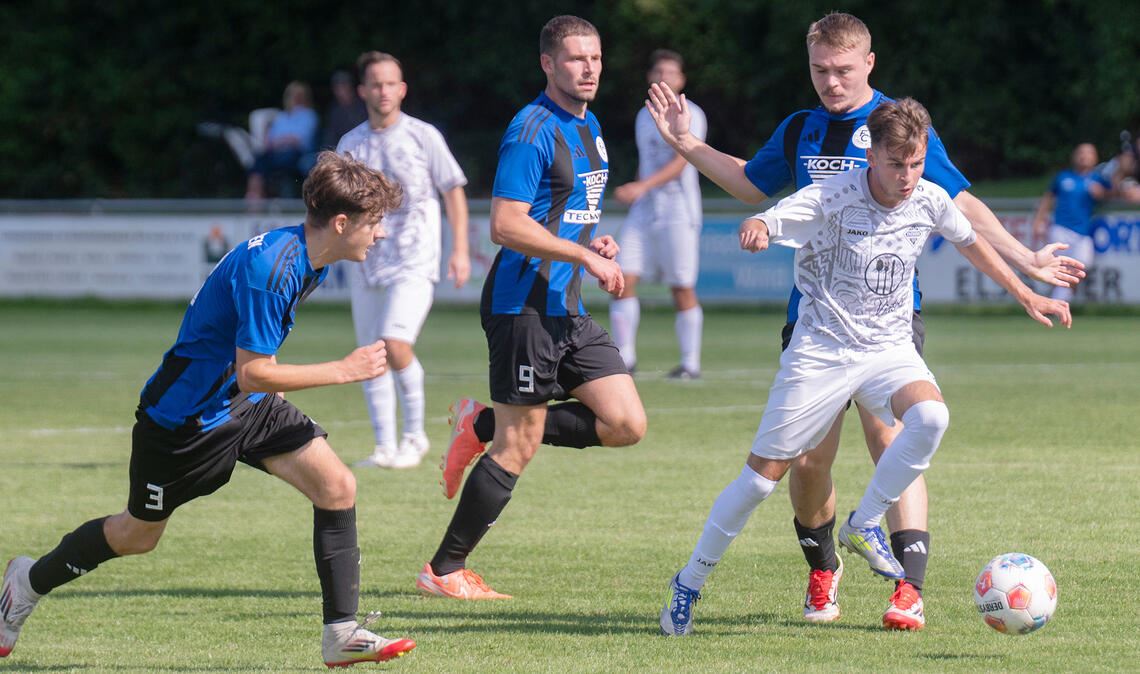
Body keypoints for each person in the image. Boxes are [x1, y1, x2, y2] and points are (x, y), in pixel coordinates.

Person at [646, 11, 1086, 631]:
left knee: (912, 426)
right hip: (820, 333)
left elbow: (963, 218)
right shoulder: (807, 135)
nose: (830, 81)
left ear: (869, 64)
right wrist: (692, 151)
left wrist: (1027, 272)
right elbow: (762, 195)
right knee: (786, 472)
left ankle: (902, 575)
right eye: (819, 70)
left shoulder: (904, 132)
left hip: (890, 331)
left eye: (842, 69)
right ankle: (713, 579)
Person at [1, 152, 417, 667]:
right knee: (136, 535)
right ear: (340, 222)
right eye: (374, 224)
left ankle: (341, 633)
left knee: (337, 486)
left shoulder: (306, 258)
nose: (378, 235)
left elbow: (252, 358)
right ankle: (26, 582)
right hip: (184, 420)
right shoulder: (276, 267)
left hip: (245, 404)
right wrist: (345, 370)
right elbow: (254, 370)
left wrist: (274, 386)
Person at [414, 15, 647, 600]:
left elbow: (559, 212)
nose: (589, 67)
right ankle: (444, 571)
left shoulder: (589, 126)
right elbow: (504, 223)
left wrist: (592, 244)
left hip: (563, 305)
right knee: (519, 446)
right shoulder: (531, 128)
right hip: (522, 306)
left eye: (595, 57)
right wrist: (583, 255)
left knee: (625, 424)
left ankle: (481, 422)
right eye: (575, 58)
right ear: (548, 63)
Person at [337, 51, 471, 470]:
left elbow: (453, 190)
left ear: (402, 89)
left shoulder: (423, 135)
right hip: (365, 262)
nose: (383, 91)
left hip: (415, 259)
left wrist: (460, 249)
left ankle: (415, 436)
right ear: (363, 91)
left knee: (395, 343)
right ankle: (384, 446)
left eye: (390, 83)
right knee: (370, 352)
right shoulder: (350, 144)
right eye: (375, 84)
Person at [609, 49, 707, 379]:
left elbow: (683, 162)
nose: (664, 76)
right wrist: (639, 190)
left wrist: (640, 187)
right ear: (651, 77)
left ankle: (690, 364)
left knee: (681, 287)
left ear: (681, 80)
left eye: (671, 72)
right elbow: (646, 161)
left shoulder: (691, 113)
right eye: (658, 71)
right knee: (622, 278)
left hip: (678, 211)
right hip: (644, 210)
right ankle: (625, 359)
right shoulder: (643, 115)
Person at [1032, 143, 1111, 302]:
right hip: (1060, 229)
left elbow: (1114, 194)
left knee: (1080, 266)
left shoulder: (1098, 179)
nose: (1084, 156)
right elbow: (1048, 199)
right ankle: (1058, 303)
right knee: (1059, 268)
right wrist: (1039, 221)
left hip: (1083, 232)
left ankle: (1055, 301)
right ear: (1074, 156)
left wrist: (1102, 194)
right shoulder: (1063, 177)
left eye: (1089, 153)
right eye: (1081, 152)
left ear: (1095, 158)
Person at [245, 81, 320, 200]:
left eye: (300, 95)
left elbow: (299, 140)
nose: (297, 99)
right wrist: (282, 140)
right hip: (277, 152)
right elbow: (269, 141)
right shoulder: (282, 117)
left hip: (297, 153)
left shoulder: (309, 115)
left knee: (283, 158)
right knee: (258, 162)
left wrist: (280, 141)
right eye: (294, 95)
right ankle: (254, 199)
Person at [321, 70, 368, 152]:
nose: (341, 90)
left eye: (344, 85)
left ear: (351, 87)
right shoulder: (334, 110)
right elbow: (329, 138)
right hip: (339, 152)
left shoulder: (364, 106)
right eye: (337, 87)